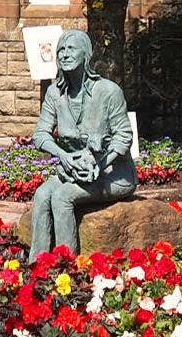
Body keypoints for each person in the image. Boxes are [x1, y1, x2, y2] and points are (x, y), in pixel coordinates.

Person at [28, 29, 136, 262]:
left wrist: (100, 163)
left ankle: (67, 268)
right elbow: (40, 134)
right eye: (61, 51)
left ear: (85, 55)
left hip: (113, 174)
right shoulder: (54, 94)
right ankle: (37, 266)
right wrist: (62, 156)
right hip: (73, 169)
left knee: (62, 197)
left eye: (71, 49)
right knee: (42, 194)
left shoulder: (108, 92)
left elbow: (124, 136)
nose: (64, 55)